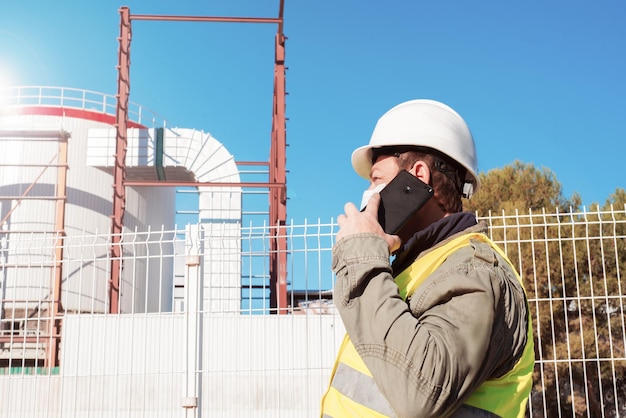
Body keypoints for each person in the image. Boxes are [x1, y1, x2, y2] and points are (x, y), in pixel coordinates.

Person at [321, 99, 534, 418]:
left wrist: (361, 254)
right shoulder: (416, 270)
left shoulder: (476, 272)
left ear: (417, 177)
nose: (368, 196)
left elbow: (422, 392)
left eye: (376, 180)